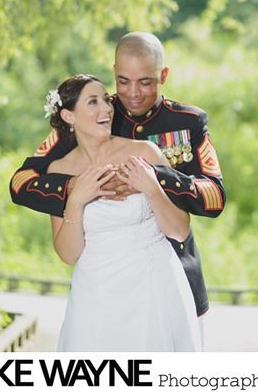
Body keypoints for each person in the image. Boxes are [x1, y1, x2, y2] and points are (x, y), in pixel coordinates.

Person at [10, 32, 225, 343]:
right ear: (113, 73)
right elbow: (22, 181)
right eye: (123, 81)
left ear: (162, 76)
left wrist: (151, 179)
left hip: (173, 272)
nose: (133, 93)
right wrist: (81, 188)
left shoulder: (187, 122)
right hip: (101, 289)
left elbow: (214, 196)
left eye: (146, 82)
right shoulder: (93, 114)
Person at [46, 75, 201, 351]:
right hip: (94, 295)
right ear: (69, 116)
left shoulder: (145, 152)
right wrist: (76, 201)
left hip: (153, 288)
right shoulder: (58, 171)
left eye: (106, 100)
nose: (107, 109)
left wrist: (152, 188)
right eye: (93, 102)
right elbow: (68, 255)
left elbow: (180, 230)